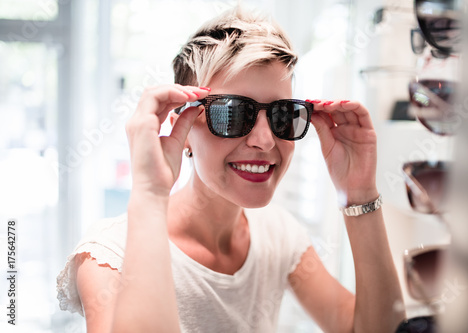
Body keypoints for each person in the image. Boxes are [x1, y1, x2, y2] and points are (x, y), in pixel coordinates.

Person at [57, 6, 403, 333]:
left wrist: (359, 194)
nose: (266, 141)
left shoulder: (277, 234)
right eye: (233, 113)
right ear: (182, 129)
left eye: (283, 115)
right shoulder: (108, 257)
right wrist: (150, 193)